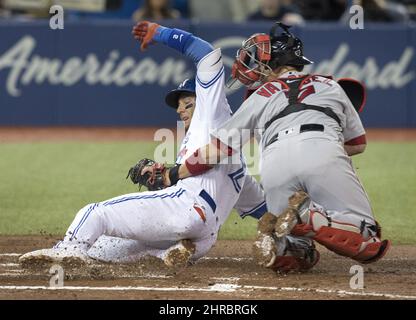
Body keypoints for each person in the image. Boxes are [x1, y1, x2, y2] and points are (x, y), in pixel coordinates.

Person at [19, 21, 268, 267]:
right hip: (204, 235)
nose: (181, 109)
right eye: (178, 105)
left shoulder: (213, 112)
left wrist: (160, 33)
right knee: (103, 248)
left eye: (187, 102)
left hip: (184, 207)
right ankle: (170, 252)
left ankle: (68, 248)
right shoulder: (237, 163)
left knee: (95, 213)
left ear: (204, 97)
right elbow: (262, 209)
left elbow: (205, 53)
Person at [152, 22, 391, 272]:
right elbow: (357, 144)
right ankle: (308, 217)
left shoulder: (259, 95)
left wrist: (172, 173)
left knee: (293, 251)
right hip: (323, 148)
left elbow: (215, 151)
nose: (251, 66)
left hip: (274, 165)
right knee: (369, 241)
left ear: (274, 62)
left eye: (256, 60)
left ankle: (284, 245)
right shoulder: (330, 85)